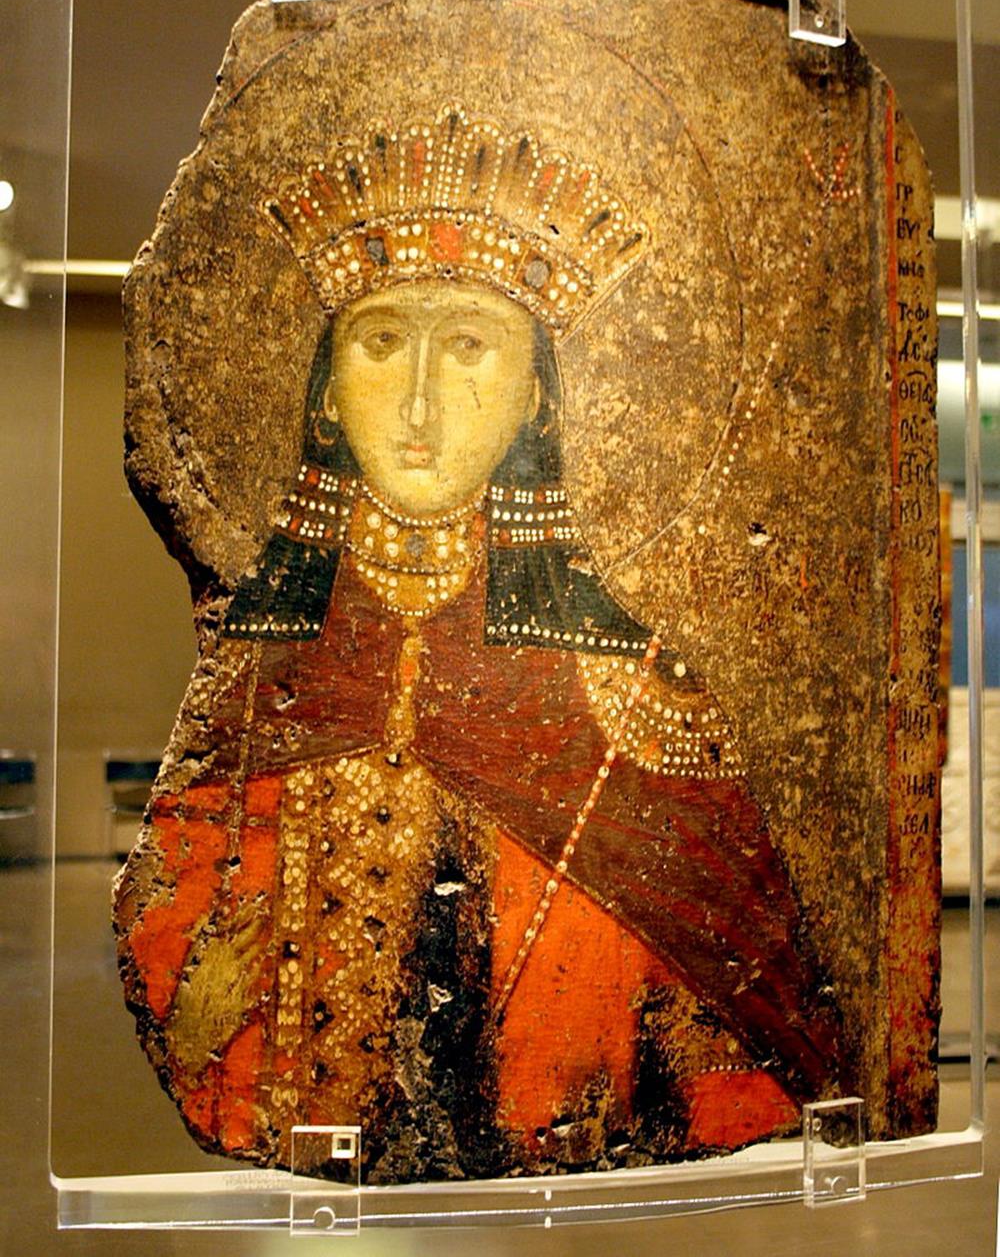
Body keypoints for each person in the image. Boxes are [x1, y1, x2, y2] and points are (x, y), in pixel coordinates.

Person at [115, 108, 845, 1181]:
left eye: (468, 344)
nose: (419, 401)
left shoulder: (639, 701)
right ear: (326, 388)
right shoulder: (255, 680)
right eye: (380, 341)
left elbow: (748, 1027)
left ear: (537, 395)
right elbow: (176, 966)